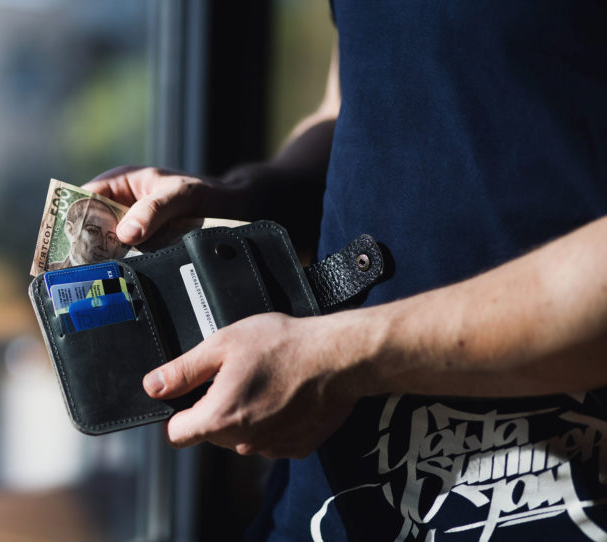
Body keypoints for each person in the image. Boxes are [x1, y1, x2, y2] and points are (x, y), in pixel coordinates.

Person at [84, 2, 607, 540]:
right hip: (333, 500)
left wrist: (344, 357)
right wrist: (245, 198)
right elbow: (358, 99)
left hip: (559, 495)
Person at [49, 197, 125, 269]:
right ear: (70, 230)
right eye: (93, 231)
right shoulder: (48, 271)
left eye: (111, 238)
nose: (103, 247)